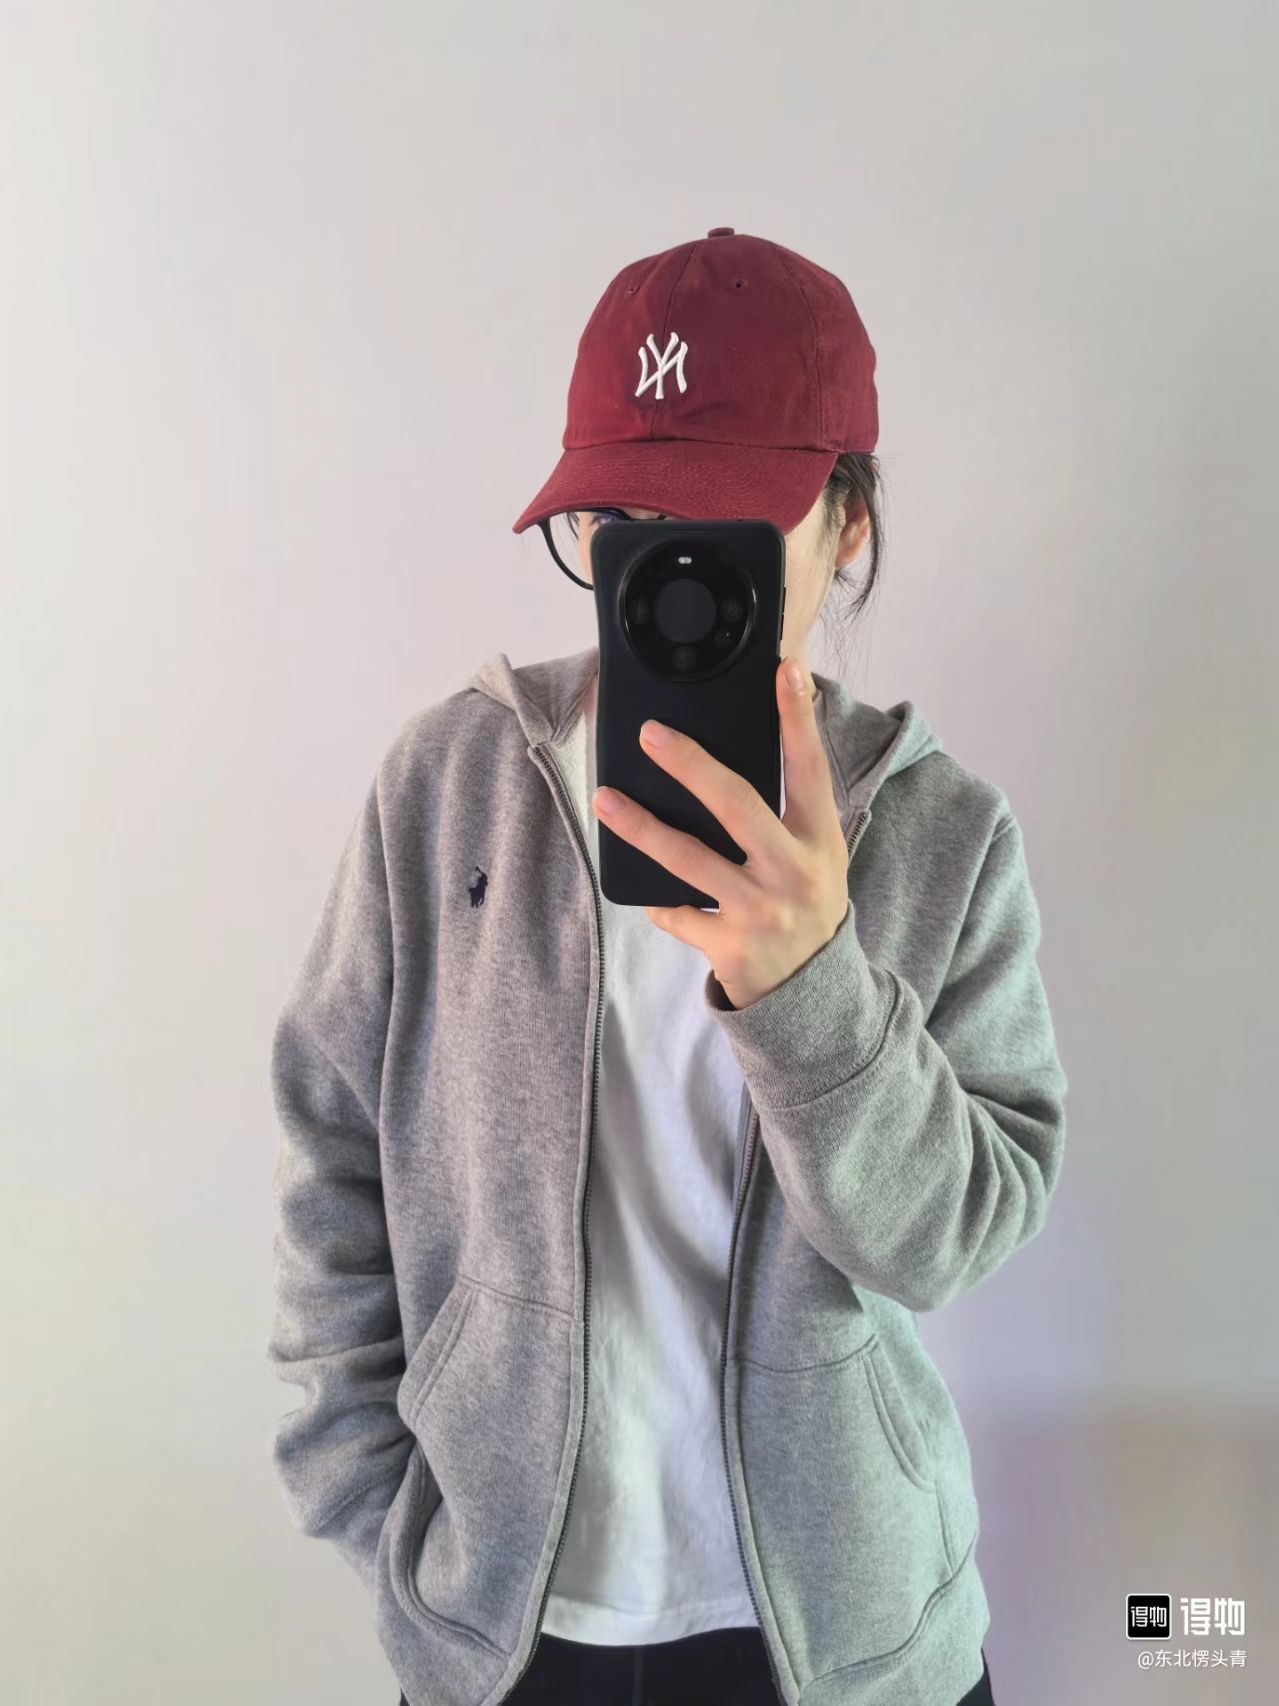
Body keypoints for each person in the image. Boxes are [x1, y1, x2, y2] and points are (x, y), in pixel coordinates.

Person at [267, 228, 1067, 1706]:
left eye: (725, 522)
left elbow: (954, 1239)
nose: (673, 574)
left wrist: (814, 985)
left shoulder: (942, 836)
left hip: (844, 1638)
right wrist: (390, 1518)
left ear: (847, 525)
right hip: (505, 1628)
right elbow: (332, 1151)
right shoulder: (449, 789)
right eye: (627, 518)